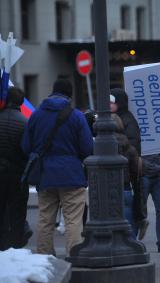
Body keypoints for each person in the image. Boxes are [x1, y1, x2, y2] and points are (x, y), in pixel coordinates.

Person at [21, 79, 93, 255]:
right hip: (71, 174)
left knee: (45, 219)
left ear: (52, 92)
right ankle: (74, 256)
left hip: (45, 174)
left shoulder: (36, 115)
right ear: (69, 95)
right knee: (73, 220)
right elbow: (87, 148)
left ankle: (44, 257)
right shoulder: (76, 116)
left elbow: (25, 146)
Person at [110, 89, 148, 239]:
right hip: (124, 175)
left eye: (112, 102)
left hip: (126, 176)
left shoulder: (127, 120)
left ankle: (131, 236)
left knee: (128, 210)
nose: (109, 105)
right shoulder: (115, 118)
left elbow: (133, 147)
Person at [0, 87, 31, 250]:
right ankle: (17, 247)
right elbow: (27, 148)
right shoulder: (25, 122)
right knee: (17, 213)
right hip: (18, 174)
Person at [111, 114, 141, 238]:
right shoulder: (130, 148)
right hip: (126, 186)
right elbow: (135, 171)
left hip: (109, 187)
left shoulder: (101, 144)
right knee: (128, 217)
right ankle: (131, 241)